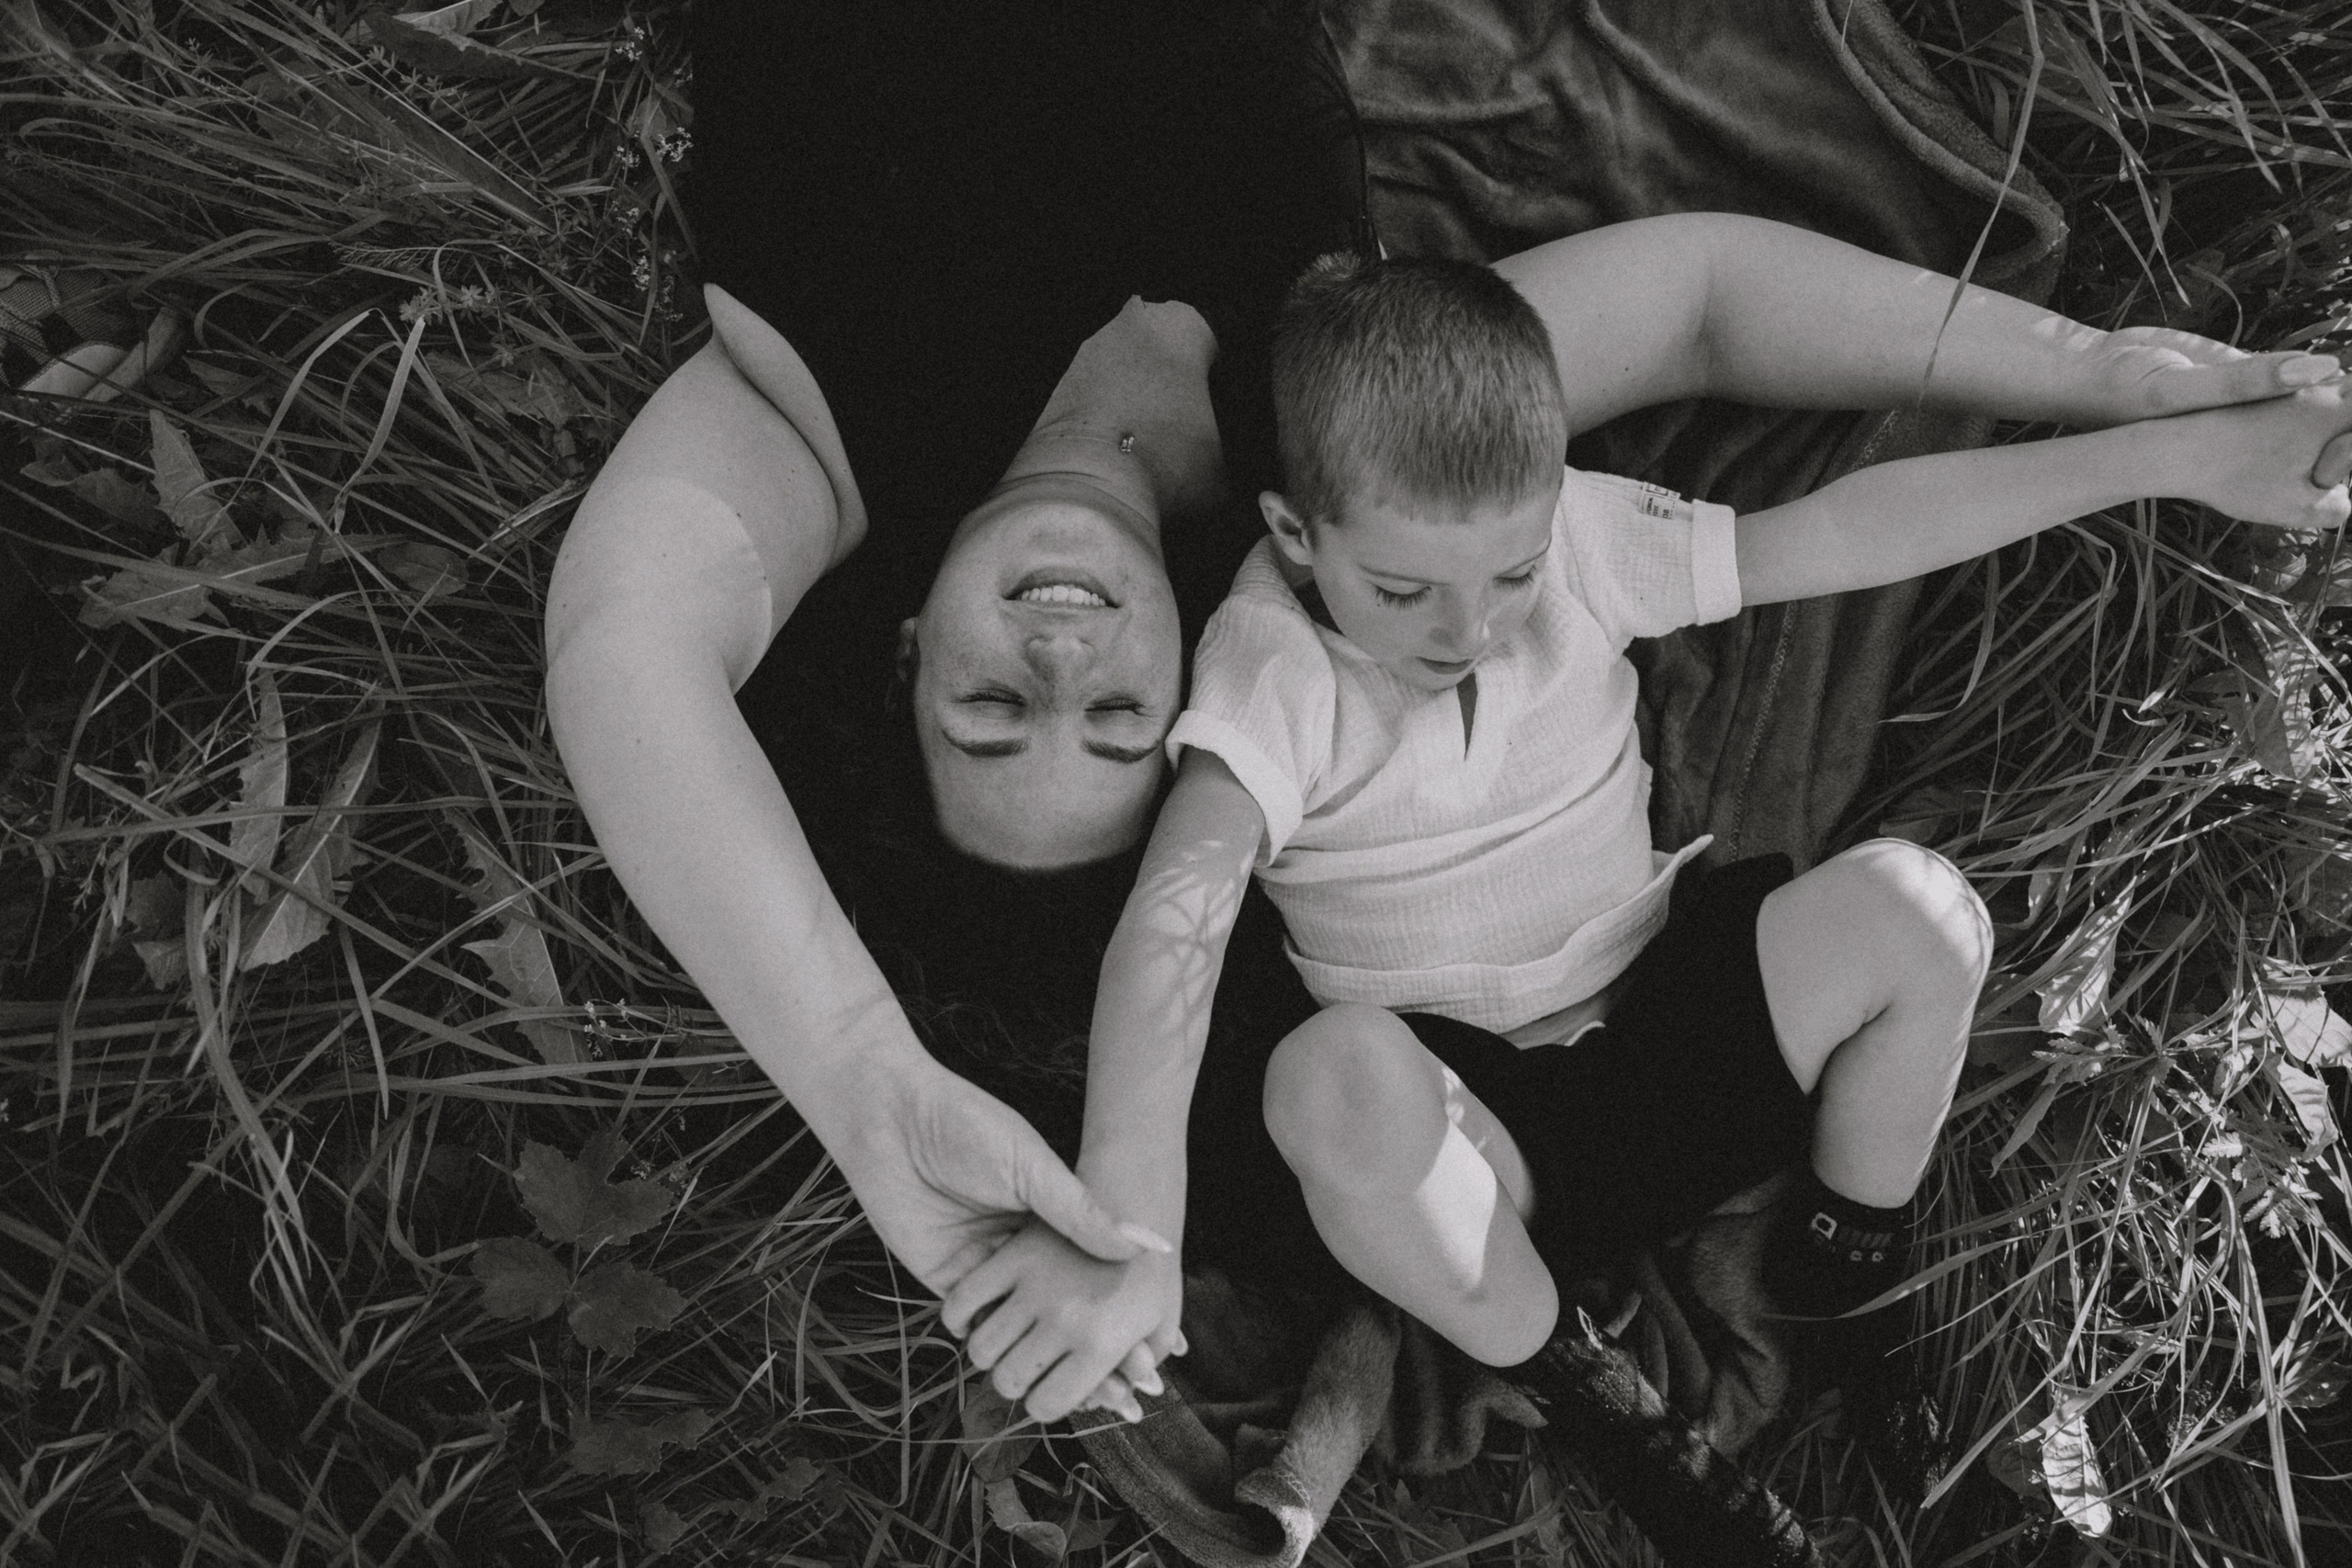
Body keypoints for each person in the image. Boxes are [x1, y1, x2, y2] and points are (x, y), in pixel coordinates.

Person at [545, 0, 2352, 1425]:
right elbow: (1706, 311)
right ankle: (1659, 1359)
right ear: (1203, 677)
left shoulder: (841, 412)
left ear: (899, 645)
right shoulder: (1328, 456)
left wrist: (875, 1101)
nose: (1064, 661)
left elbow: (625, 647)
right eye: (1109, 727)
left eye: (985, 707)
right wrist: (2121, 391)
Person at [934, 254, 2352, 1428]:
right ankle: (1595, 1397)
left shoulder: (1580, 545)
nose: (1470, 628)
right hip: (1479, 1146)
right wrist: (1136, 1223)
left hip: (1676, 1031)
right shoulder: (1270, 663)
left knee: (1919, 912)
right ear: (1294, 536)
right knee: (1329, 1079)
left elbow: (1848, 533)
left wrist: (2165, 456)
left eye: (1506, 570)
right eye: (1404, 588)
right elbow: (1178, 906)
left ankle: (1852, 1265)